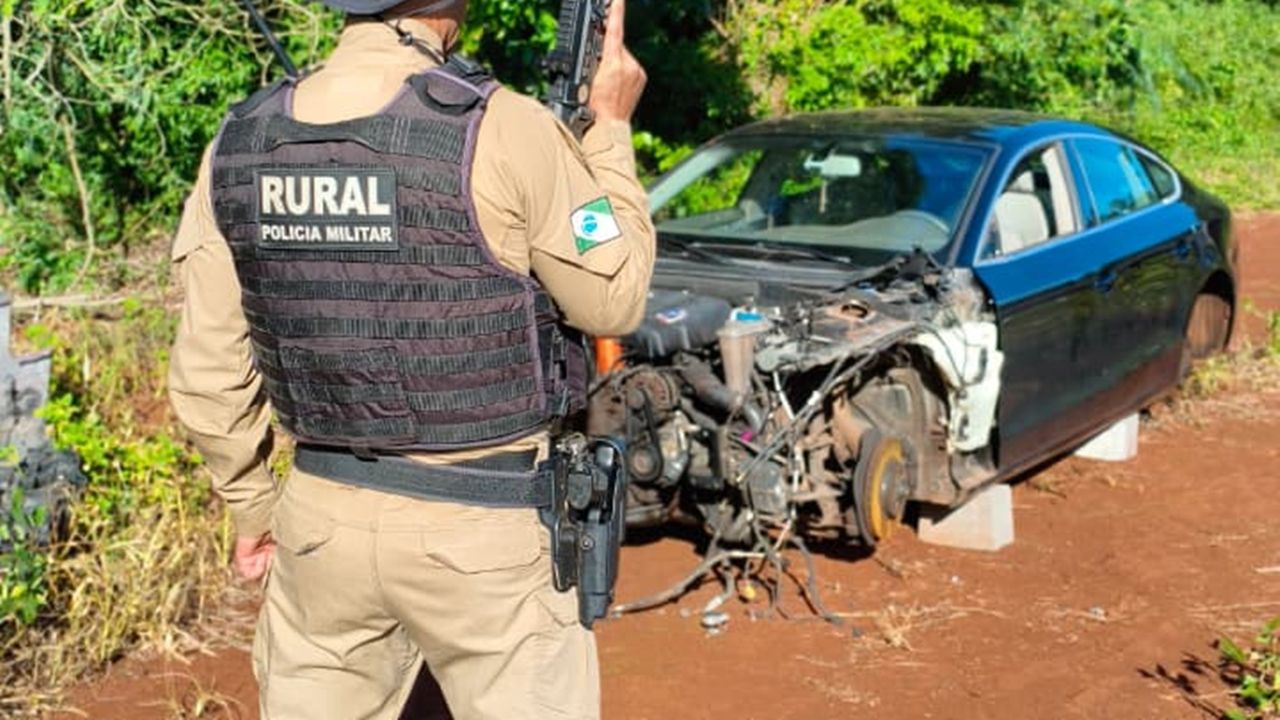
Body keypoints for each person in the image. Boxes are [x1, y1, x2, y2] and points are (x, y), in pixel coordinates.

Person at [167, 0, 653, 717]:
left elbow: (209, 370)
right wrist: (608, 130)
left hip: (319, 526)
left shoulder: (239, 140)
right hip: (485, 525)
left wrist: (249, 507)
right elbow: (613, 297)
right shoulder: (508, 126)